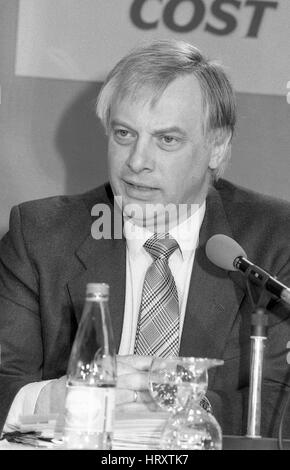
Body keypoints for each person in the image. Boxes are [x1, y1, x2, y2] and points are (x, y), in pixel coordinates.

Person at [1, 39, 290, 439]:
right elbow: (5, 386)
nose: (137, 161)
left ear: (217, 148)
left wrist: (163, 406)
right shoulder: (38, 235)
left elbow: (278, 402)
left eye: (167, 139)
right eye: (124, 134)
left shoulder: (275, 240)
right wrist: (71, 399)